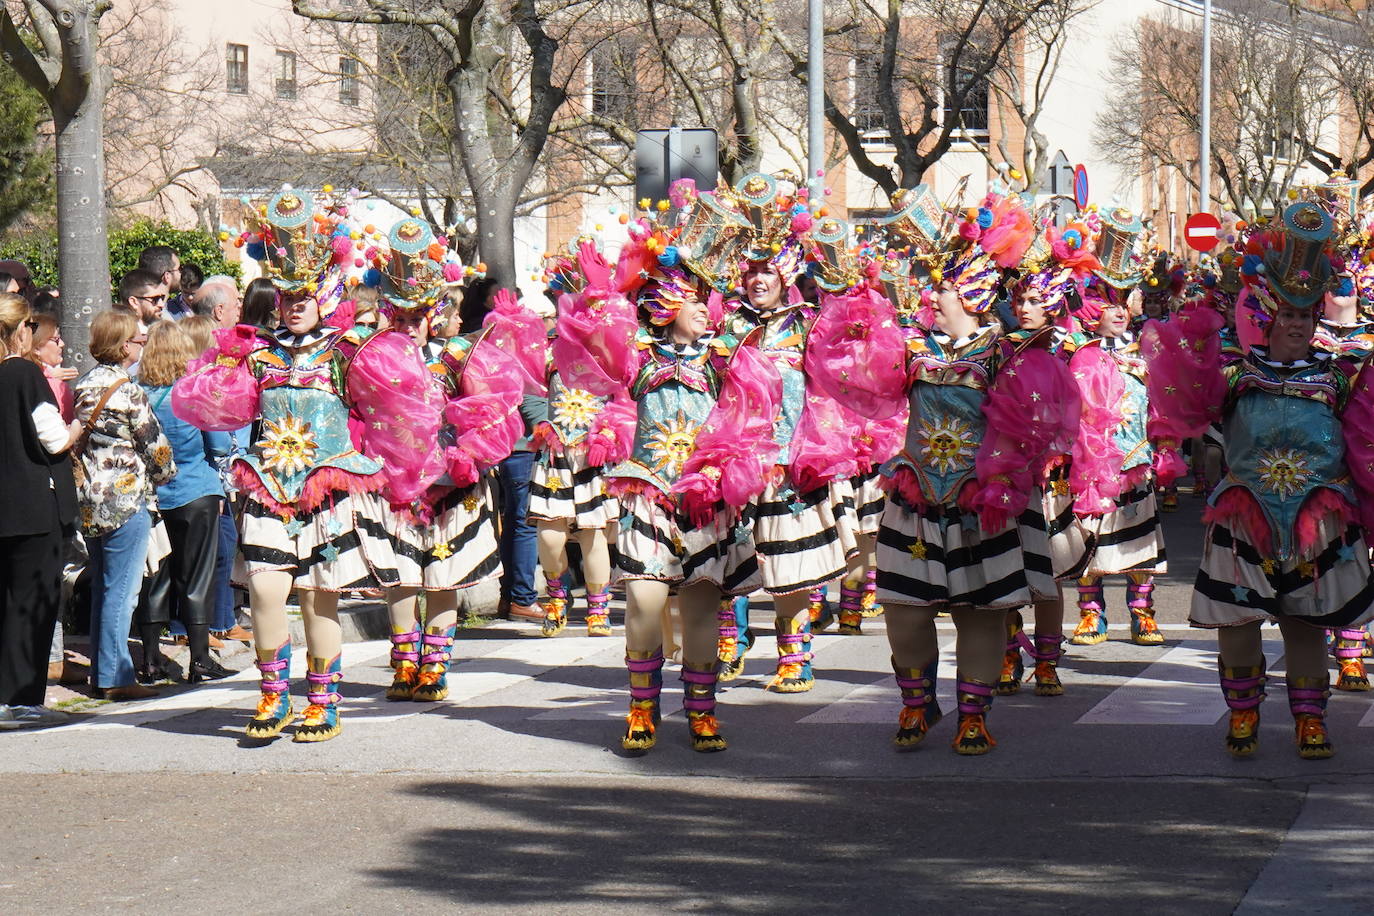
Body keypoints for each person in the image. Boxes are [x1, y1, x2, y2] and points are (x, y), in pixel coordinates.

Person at [810, 190, 1076, 754]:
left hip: (983, 502)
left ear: (970, 294)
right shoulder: (914, 348)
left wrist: (1008, 472)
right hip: (916, 496)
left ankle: (973, 715)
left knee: (978, 612)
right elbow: (857, 379)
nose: (934, 295)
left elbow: (1042, 420)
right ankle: (915, 703)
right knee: (905, 610)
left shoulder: (1007, 351)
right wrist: (854, 310)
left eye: (944, 288)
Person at [175, 189, 442, 743]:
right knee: (269, 591)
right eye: (286, 295)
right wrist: (223, 363)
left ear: (325, 292)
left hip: (329, 489)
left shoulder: (351, 350)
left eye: (304, 294)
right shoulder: (257, 351)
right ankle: (273, 694)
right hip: (268, 485)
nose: (294, 304)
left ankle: (323, 700)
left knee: (319, 597)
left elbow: (402, 405)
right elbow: (213, 405)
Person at [1155, 200, 1374, 759]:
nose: (1299, 325)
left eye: (1307, 316)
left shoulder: (1340, 374)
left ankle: (1309, 719)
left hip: (1318, 518)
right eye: (1289, 316)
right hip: (1242, 514)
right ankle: (1244, 713)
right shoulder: (1234, 370)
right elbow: (1190, 403)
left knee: (1307, 620)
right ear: (1270, 318)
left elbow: (1362, 443)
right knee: (1239, 619)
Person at [557, 229, 781, 754]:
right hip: (649, 489)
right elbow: (589, 349)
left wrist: (727, 467)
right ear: (665, 305)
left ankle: (702, 712)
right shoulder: (635, 353)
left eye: (707, 301)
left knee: (703, 607)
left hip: (705, 496)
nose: (707, 310)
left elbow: (756, 413)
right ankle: (641, 708)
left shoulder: (727, 355)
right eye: (693, 301)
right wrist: (601, 293)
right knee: (644, 598)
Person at [374, 220, 521, 701]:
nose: (408, 325)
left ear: (433, 316)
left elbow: (493, 409)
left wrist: (470, 450)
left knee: (442, 575)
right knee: (399, 577)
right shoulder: (371, 358)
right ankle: (402, 662)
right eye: (399, 316)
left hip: (449, 483)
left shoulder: (459, 354)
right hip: (394, 485)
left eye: (417, 316)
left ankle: (434, 665)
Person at [1068, 208, 1171, 648]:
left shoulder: (1146, 351)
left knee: (1139, 541)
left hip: (1135, 458)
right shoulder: (1075, 350)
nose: (1119, 312)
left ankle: (1142, 611)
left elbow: (1162, 406)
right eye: (1108, 303)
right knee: (1088, 537)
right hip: (1090, 462)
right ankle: (1091, 612)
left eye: (1124, 301)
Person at [74, 310, 176, 701]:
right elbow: (154, 445)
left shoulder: (84, 385)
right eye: (137, 339)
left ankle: (102, 673)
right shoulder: (127, 390)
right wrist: (166, 473)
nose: (141, 345)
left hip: (91, 499)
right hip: (126, 497)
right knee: (123, 591)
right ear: (122, 346)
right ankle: (116, 676)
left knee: (104, 586)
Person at [134, 321, 236, 684]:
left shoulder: (137, 390)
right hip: (195, 488)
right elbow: (220, 445)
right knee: (196, 576)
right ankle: (200, 659)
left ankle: (149, 660)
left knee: (156, 575)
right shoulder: (193, 391)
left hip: (153, 494)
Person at [527, 271, 624, 638]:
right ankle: (556, 598)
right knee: (550, 538)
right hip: (555, 454)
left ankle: (598, 610)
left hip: (594, 455)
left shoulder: (612, 349)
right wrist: (542, 423)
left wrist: (610, 434)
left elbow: (624, 400)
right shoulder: (547, 348)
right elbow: (527, 389)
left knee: (593, 534)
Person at [0, 292, 80, 728]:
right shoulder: (23, 374)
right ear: (20, 330)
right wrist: (78, 425)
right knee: (31, 603)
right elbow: (54, 438)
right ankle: (20, 699)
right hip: (32, 503)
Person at [27, 313, 76, 422]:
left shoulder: (13, 375)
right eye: (56, 339)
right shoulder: (56, 386)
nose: (62, 344)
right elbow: (65, 432)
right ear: (37, 347)